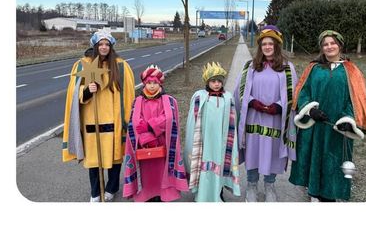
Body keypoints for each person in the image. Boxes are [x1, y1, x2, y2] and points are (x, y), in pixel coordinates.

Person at [291, 30, 366, 201]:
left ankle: (330, 197)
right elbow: (302, 92)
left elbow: (356, 100)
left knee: (333, 163)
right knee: (314, 159)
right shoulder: (313, 68)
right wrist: (310, 110)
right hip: (314, 127)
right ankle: (313, 193)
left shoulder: (351, 71)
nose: (329, 47)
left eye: (332, 43)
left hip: (337, 129)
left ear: (340, 45)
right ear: (321, 48)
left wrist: (348, 119)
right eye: (325, 44)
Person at [62, 30, 135, 201]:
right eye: (100, 44)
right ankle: (95, 191)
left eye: (107, 44)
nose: (104, 47)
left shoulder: (121, 66)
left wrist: (127, 121)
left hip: (114, 120)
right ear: (95, 45)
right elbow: (73, 93)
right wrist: (87, 91)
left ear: (111, 46)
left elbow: (129, 95)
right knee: (94, 161)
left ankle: (112, 188)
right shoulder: (82, 65)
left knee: (115, 158)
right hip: (91, 122)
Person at [234, 25, 298, 202]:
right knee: (253, 152)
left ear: (277, 45)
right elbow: (240, 90)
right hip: (254, 119)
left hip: (276, 121)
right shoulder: (251, 66)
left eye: (271, 43)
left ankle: (270, 186)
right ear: (260, 46)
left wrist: (279, 106)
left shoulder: (287, 68)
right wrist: (252, 101)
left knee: (272, 153)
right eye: (264, 44)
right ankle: (252, 187)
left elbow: (293, 93)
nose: (267, 47)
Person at [122, 65, 188, 201]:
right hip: (144, 145)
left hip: (163, 143)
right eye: (149, 83)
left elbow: (169, 118)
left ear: (160, 84)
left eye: (155, 83)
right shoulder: (137, 102)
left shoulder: (169, 100)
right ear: (144, 84)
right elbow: (135, 122)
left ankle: (162, 194)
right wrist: (148, 138)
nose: (152, 86)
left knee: (162, 173)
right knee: (147, 175)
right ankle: (148, 194)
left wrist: (149, 126)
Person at [186, 61, 241, 202]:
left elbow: (232, 122)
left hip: (220, 142)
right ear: (207, 82)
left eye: (219, 81)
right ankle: (201, 194)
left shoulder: (228, 98)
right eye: (213, 81)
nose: (216, 84)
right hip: (205, 141)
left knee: (220, 165)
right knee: (203, 166)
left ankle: (219, 192)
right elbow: (193, 121)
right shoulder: (199, 97)